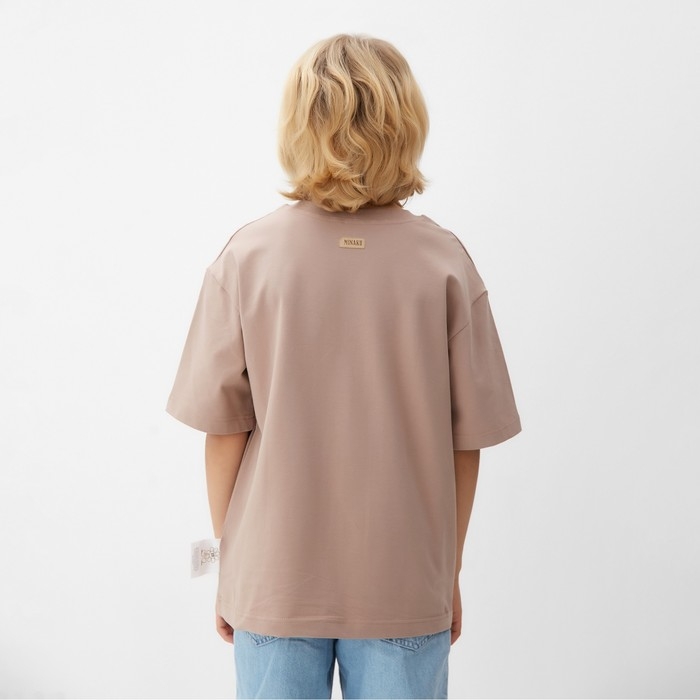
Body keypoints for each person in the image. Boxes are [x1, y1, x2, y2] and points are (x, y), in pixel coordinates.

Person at [165, 33, 522, 700]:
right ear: (407, 123)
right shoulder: (444, 263)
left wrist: (233, 565)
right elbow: (465, 443)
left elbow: (223, 433)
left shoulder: (248, 259)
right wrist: (445, 572)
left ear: (297, 125)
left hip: (275, 577)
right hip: (402, 579)